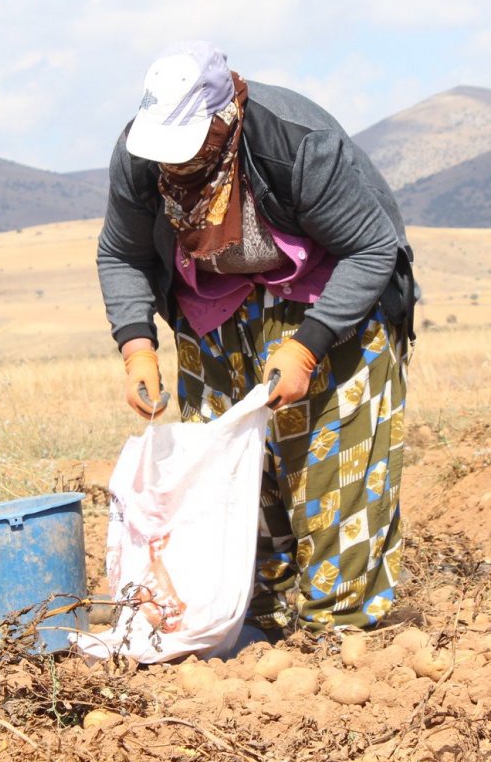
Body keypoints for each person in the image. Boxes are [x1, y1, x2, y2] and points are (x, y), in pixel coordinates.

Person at [96, 40, 417, 633]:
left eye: (187, 148)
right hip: (212, 311)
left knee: (329, 466)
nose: (173, 166)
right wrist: (136, 345)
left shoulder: (294, 143)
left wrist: (305, 345)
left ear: (224, 121)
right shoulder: (140, 154)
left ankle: (339, 627)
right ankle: (255, 620)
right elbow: (121, 252)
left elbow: (373, 248)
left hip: (330, 305)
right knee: (230, 467)